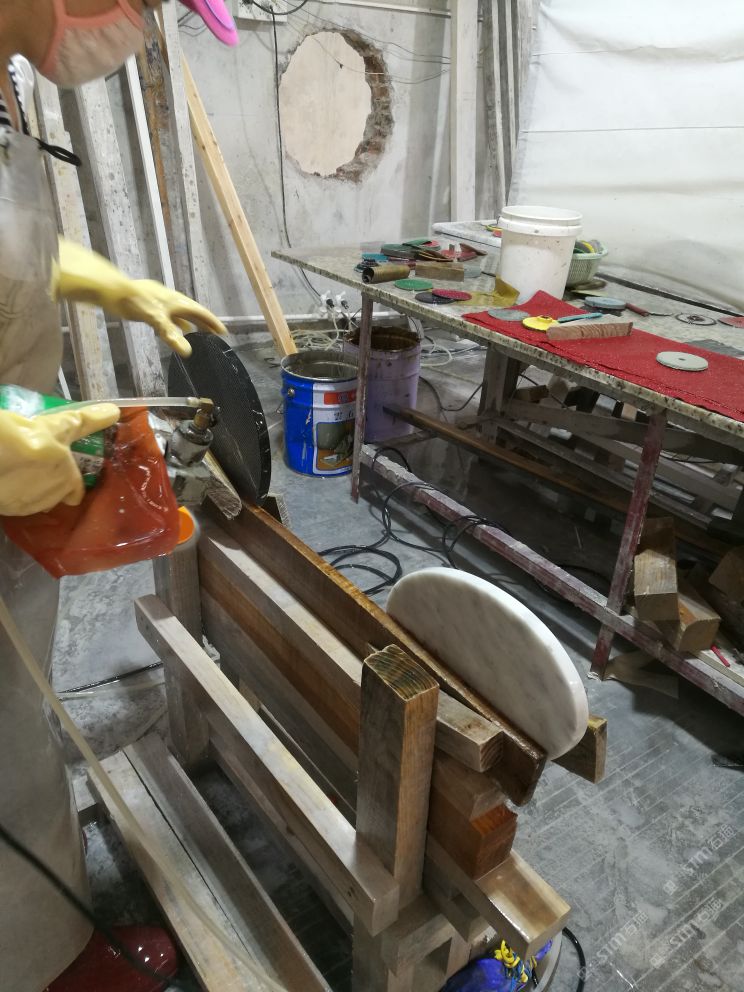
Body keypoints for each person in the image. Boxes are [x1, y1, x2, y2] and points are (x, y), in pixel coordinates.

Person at [0, 1, 239, 990]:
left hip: (14, 496)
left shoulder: (4, 78)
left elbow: (11, 251)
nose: (134, 25)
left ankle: (45, 948)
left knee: (14, 723)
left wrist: (109, 283)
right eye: (138, 1)